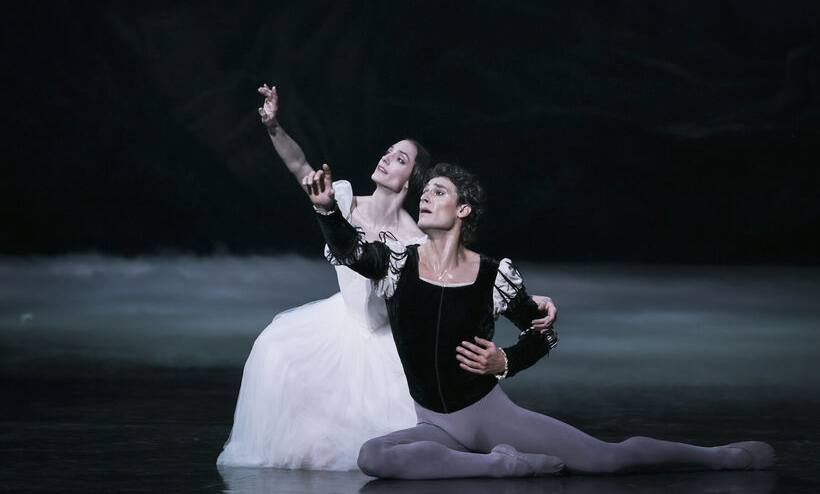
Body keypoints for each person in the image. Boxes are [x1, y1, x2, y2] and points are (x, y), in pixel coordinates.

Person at [306, 161, 777, 479]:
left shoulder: (493, 276)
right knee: (373, 456)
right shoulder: (396, 263)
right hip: (433, 423)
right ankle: (499, 467)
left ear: (462, 209)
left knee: (606, 460)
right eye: (424, 191)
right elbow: (350, 250)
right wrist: (327, 209)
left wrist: (504, 361)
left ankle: (719, 457)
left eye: (439, 191)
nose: (425, 197)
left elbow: (543, 331)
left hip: (490, 418)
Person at [216, 85, 558, 470]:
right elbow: (300, 167)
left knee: (424, 433)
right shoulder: (341, 198)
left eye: (398, 159)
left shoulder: (414, 239)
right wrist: (274, 125)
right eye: (387, 153)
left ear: (412, 179)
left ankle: (493, 458)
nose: (385, 160)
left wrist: (521, 298)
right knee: (278, 357)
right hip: (335, 326)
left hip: (388, 343)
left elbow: (452, 278)